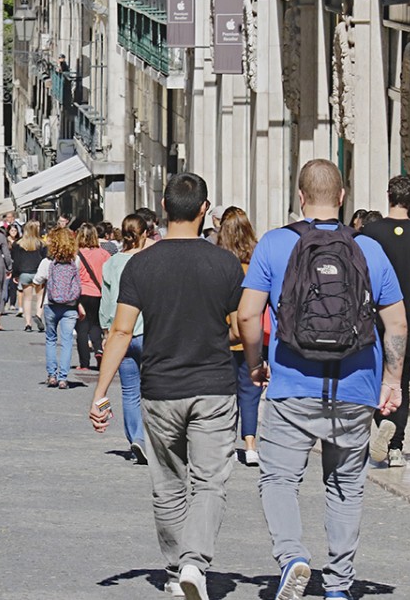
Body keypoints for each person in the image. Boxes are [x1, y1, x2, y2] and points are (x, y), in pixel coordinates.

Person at [237, 159, 407, 600]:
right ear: (343, 197)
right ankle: (337, 586)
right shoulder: (369, 250)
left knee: (278, 480)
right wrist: (392, 380)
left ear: (300, 197)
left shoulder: (275, 244)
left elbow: (248, 314)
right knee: (346, 486)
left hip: (292, 384)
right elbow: (398, 325)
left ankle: (293, 556)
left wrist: (256, 363)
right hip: (355, 387)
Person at [91, 173, 244, 600]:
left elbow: (120, 332)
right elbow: (238, 326)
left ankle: (177, 572)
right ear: (204, 210)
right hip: (213, 384)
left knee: (168, 485)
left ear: (162, 206)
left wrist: (101, 391)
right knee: (210, 482)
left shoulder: (141, 263)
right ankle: (195, 561)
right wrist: (252, 360)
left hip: (159, 388)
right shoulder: (225, 263)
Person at [362, 175, 410, 465]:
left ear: (388, 196)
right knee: (400, 380)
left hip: (377, 316)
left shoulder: (370, 232)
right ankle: (395, 446)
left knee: (377, 377)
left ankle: (380, 424)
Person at [98, 214, 148, 464]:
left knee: (130, 391)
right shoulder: (150, 261)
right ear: (146, 233)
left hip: (120, 333)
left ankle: (135, 440)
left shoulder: (112, 263)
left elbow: (106, 303)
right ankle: (145, 438)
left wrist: (106, 331)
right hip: (148, 330)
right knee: (150, 390)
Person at [216, 206, 261, 466]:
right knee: (250, 391)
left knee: (227, 392)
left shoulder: (218, 261)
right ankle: (251, 444)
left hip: (223, 335)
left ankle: (227, 442)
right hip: (252, 335)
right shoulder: (255, 262)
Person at [38, 227, 83, 389]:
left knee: (50, 339)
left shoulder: (48, 262)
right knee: (67, 341)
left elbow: (37, 279)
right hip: (70, 305)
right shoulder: (75, 260)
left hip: (51, 304)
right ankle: (63, 377)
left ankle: (52, 375)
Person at [75, 223, 110, 371]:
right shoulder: (104, 254)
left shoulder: (77, 254)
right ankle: (99, 350)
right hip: (98, 293)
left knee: (82, 328)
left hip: (82, 293)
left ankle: (84, 363)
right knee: (96, 325)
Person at [11, 221, 47, 331]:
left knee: (27, 299)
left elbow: (16, 261)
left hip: (24, 272)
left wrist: (15, 274)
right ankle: (38, 316)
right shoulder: (42, 244)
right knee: (40, 297)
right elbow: (45, 259)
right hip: (38, 272)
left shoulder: (18, 244)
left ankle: (28, 323)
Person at [4, 222, 23, 311]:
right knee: (6, 284)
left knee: (13, 285)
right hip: (6, 264)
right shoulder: (5, 241)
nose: (13, 232)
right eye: (12, 230)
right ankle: (4, 301)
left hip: (16, 264)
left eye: (15, 230)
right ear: (8, 231)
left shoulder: (19, 241)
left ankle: (12, 303)